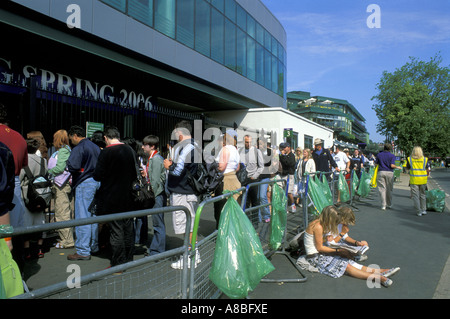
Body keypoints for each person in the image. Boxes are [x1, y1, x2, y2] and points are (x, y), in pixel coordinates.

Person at [304, 205, 399, 287]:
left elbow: (322, 242)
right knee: (347, 266)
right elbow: (320, 247)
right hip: (314, 257)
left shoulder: (321, 224)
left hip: (320, 253)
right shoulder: (318, 226)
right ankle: (378, 277)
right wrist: (338, 251)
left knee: (349, 262)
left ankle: (381, 271)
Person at [93, 126, 137, 267]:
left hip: (112, 197)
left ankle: (118, 262)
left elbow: (97, 175)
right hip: (129, 196)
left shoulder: (106, 152)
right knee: (128, 228)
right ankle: (129, 258)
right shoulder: (130, 150)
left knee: (116, 230)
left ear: (106, 138)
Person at [164, 121, 201, 269]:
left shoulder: (186, 148)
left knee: (186, 226)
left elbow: (177, 171)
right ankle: (193, 255)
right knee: (190, 225)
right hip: (188, 192)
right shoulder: (195, 146)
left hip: (183, 192)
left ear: (180, 132)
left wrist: (168, 165)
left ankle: (190, 257)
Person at [0, 102, 28, 272]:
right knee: (14, 233)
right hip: (15, 184)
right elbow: (23, 166)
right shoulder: (19, 137)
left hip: (4, 188)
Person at [66, 125, 101, 261]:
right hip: (96, 182)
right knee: (92, 216)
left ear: (75, 135)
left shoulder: (79, 147)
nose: (71, 141)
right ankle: (93, 246)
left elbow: (73, 166)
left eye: (71, 139)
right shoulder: (95, 147)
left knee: (82, 217)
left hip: (84, 182)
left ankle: (83, 250)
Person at [20, 138, 47, 259]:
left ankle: (27, 251)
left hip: (27, 195)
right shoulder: (43, 161)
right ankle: (40, 248)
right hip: (41, 194)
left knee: (27, 223)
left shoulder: (24, 161)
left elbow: (20, 178)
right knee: (40, 221)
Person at [48, 130, 74, 249]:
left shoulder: (63, 151)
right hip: (63, 184)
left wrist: (48, 172)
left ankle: (67, 241)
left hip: (61, 185)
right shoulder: (66, 150)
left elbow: (60, 167)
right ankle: (66, 238)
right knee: (65, 212)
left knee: (62, 213)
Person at [142, 135, 167, 255]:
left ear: (152, 146)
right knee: (157, 222)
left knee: (158, 223)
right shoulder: (153, 158)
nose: (142, 147)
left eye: (145, 145)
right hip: (156, 194)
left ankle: (157, 250)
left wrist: (152, 193)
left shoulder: (156, 159)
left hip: (156, 194)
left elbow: (156, 180)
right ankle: (156, 248)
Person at [213, 129, 241, 229]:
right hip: (234, 179)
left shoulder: (225, 149)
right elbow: (237, 168)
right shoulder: (235, 150)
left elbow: (221, 167)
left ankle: (221, 232)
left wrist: (214, 167)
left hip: (225, 181)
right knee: (232, 208)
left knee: (221, 208)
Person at [239, 135, 264, 216]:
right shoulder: (240, 151)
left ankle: (255, 221)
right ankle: (246, 220)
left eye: (250, 142)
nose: (249, 144)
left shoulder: (257, 152)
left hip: (253, 179)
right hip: (243, 180)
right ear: (244, 142)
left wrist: (255, 176)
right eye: (247, 142)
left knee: (254, 201)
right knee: (245, 201)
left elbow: (261, 166)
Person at [375, 143, 401, 211]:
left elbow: (376, 164)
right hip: (389, 173)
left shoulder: (379, 155)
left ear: (384, 147)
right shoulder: (392, 156)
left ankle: (383, 205)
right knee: (389, 189)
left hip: (381, 172)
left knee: (382, 189)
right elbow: (392, 165)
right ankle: (389, 204)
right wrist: (397, 167)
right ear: (390, 148)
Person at [406, 146, 431, 217]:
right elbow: (427, 168)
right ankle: (424, 210)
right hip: (423, 180)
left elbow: (407, 168)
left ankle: (418, 211)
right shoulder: (425, 159)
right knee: (423, 195)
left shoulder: (409, 159)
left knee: (415, 196)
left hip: (414, 180)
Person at [279, 142, 296, 212]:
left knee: (289, 192)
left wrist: (283, 155)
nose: (283, 149)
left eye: (285, 147)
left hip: (290, 175)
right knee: (283, 192)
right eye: (282, 148)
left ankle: (293, 204)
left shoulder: (292, 155)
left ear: (289, 147)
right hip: (283, 174)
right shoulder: (282, 155)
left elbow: (289, 163)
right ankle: (284, 207)